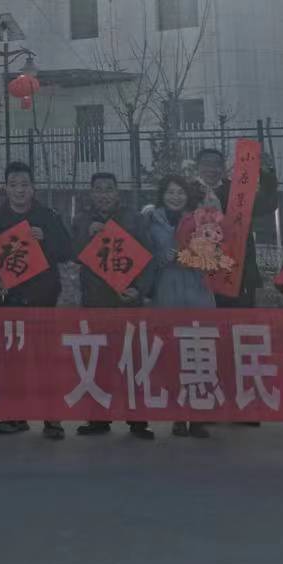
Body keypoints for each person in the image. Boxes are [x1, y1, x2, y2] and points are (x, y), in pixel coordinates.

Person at [0, 161, 73, 438]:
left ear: (33, 188)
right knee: (13, 361)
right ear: (6, 188)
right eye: (13, 185)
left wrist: (45, 238)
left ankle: (52, 418)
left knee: (47, 359)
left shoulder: (48, 216)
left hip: (43, 299)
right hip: (11, 300)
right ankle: (15, 416)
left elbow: (67, 251)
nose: (19, 190)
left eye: (24, 185)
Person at [70, 172, 155, 441]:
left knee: (132, 360)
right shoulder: (82, 220)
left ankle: (137, 420)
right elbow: (72, 254)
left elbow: (149, 258)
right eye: (98, 189)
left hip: (127, 301)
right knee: (98, 361)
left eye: (109, 189)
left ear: (118, 193)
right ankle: (98, 419)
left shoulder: (134, 219)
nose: (104, 194)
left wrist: (139, 289)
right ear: (91, 193)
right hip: (96, 302)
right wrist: (88, 235)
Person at [139, 174, 215, 439]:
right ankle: (178, 416)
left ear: (187, 196)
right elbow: (143, 254)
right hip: (166, 294)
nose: (175, 197)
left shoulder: (200, 219)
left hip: (197, 293)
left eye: (180, 192)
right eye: (170, 192)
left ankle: (199, 416)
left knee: (199, 356)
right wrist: (161, 258)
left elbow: (214, 254)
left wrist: (195, 256)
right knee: (172, 357)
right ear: (162, 194)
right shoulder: (150, 220)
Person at [194, 147, 280, 309]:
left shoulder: (237, 190)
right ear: (197, 166)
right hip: (200, 271)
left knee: (239, 317)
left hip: (238, 268)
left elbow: (268, 204)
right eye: (206, 164)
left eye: (216, 164)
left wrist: (265, 172)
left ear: (223, 168)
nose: (211, 169)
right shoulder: (186, 192)